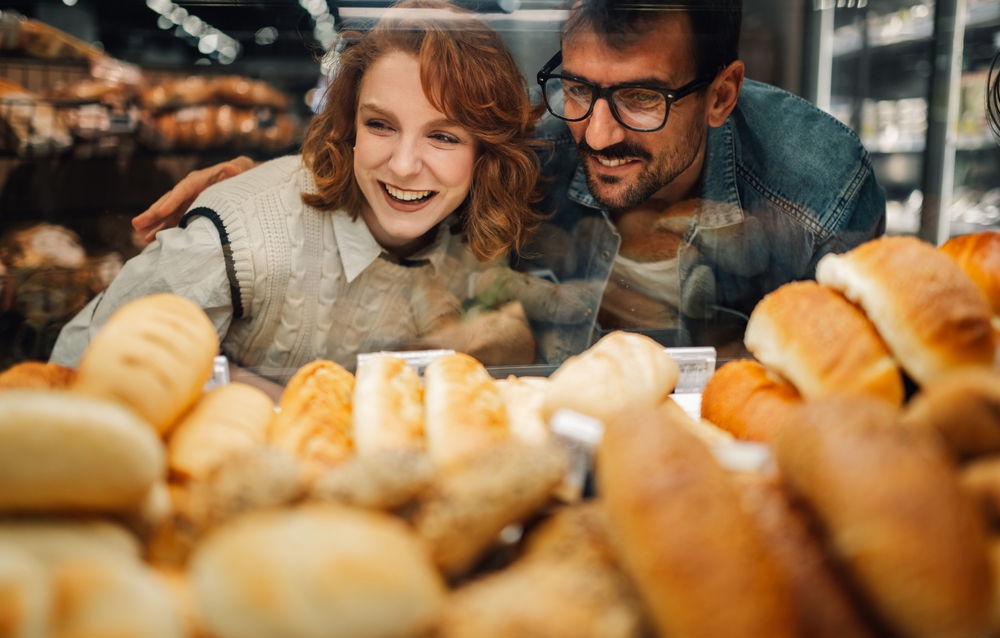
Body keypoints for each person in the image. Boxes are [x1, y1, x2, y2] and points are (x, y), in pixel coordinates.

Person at [130, 0, 887, 360]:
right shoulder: (547, 138)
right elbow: (417, 151)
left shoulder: (817, 192)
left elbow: (849, 381)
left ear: (721, 94)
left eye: (640, 99)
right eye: (581, 87)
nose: (596, 132)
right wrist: (258, 185)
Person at [51, 0, 547, 384]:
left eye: (442, 136)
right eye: (380, 125)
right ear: (349, 127)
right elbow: (74, 371)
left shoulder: (470, 229)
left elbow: (514, 337)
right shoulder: (241, 243)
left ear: (485, 153)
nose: (401, 165)